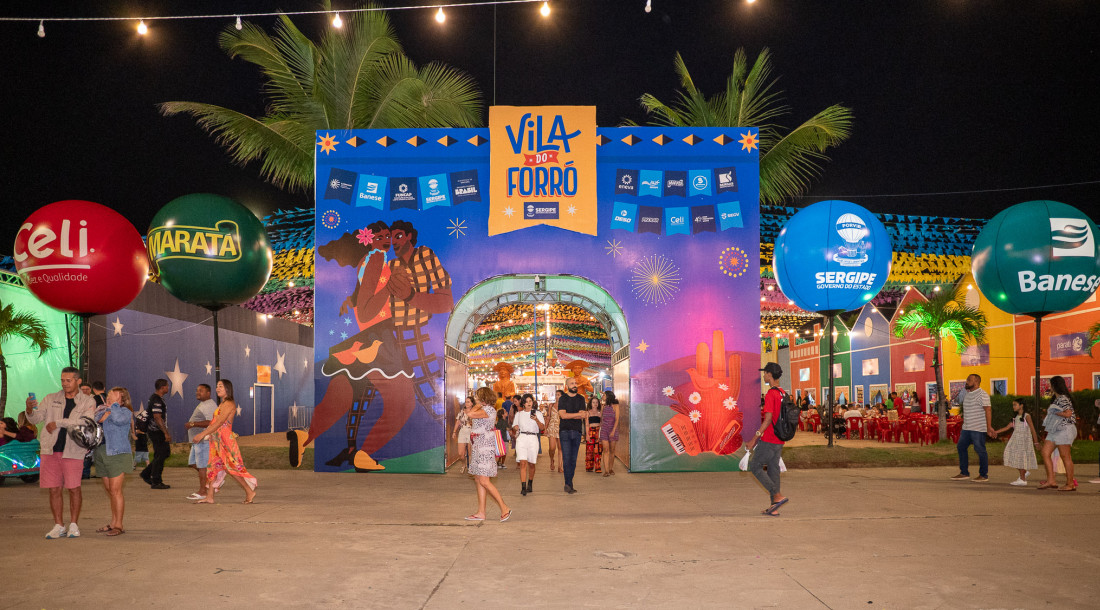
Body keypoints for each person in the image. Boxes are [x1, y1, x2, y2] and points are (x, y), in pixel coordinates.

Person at [25, 366, 96, 538]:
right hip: (50, 450)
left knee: (73, 488)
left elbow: (85, 421)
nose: (64, 383)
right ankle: (59, 525)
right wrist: (29, 409)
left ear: (78, 381)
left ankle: (74, 524)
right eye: (62, 380)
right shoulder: (50, 398)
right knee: (54, 489)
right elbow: (35, 418)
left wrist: (58, 422)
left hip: (73, 451)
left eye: (68, 380)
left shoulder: (88, 401)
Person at [193, 380, 257, 504]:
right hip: (216, 440)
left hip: (225, 440)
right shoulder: (222, 404)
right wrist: (210, 435)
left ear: (227, 388)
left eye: (220, 386)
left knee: (231, 467)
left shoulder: (229, 404)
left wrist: (202, 434)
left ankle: (249, 491)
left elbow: (219, 422)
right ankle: (210, 496)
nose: (217, 388)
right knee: (213, 467)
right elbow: (215, 423)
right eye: (217, 386)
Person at [92, 387, 134, 536]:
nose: (109, 397)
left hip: (117, 454)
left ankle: (119, 525)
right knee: (110, 491)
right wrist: (107, 409)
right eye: (109, 394)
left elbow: (117, 420)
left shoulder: (125, 412)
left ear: (122, 400)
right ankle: (113, 522)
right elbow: (96, 419)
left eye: (114, 395)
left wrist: (113, 407)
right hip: (102, 453)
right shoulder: (102, 409)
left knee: (116, 491)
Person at [748, 362, 789, 516]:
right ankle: (774, 507)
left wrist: (754, 438)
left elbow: (768, 419)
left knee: (755, 466)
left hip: (770, 438)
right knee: (773, 470)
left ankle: (777, 495)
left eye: (765, 373)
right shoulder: (782, 392)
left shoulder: (771, 393)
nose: (763, 375)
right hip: (780, 438)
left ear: (770, 374)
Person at [465, 386, 511, 522]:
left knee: (484, 480)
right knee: (478, 479)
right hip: (478, 446)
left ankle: (504, 508)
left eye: (477, 396)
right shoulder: (484, 409)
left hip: (484, 448)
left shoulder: (488, 410)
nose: (475, 398)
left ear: (483, 397)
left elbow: (470, 414)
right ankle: (481, 512)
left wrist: (478, 404)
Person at [949, 374, 995, 482]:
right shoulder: (967, 394)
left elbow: (988, 410)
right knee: (961, 447)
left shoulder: (982, 394)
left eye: (969, 380)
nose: (966, 381)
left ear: (976, 382)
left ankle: (983, 475)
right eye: (967, 379)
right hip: (966, 428)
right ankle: (964, 473)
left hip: (978, 428)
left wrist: (989, 427)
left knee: (980, 450)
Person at [1038, 376, 1077, 491]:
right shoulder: (1057, 398)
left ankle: (1070, 484)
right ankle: (1051, 481)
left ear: (1055, 385)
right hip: (1055, 430)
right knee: (1045, 452)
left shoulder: (1063, 398)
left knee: (1065, 456)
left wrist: (1055, 412)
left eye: (1050, 384)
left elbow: (1068, 413)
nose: (1049, 386)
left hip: (1064, 429)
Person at [992, 398, 1039, 486]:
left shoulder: (1027, 416)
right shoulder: (1016, 417)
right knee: (1010, 455)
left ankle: (1022, 479)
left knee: (1020, 458)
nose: (1013, 406)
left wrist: (1036, 442)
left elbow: (1032, 429)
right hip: (1015, 440)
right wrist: (995, 432)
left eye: (1015, 405)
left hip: (1023, 441)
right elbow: (1007, 427)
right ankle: (1024, 472)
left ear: (1021, 405)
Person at [184, 384, 218, 501]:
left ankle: (203, 491)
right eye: (197, 390)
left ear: (208, 393)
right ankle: (213, 479)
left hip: (203, 440)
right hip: (197, 441)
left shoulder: (209, 405)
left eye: (201, 391)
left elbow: (212, 422)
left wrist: (193, 424)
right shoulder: (204, 404)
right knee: (192, 463)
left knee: (202, 466)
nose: (197, 392)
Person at [140, 378, 172, 490]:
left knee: (164, 453)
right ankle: (156, 481)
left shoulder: (157, 398)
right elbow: (157, 417)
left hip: (157, 431)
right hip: (156, 431)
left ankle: (146, 473)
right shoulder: (156, 399)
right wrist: (165, 433)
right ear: (162, 388)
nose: (168, 388)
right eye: (167, 386)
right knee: (161, 455)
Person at [557, 376, 587, 494]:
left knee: (573, 460)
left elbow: (583, 415)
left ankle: (569, 483)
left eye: (575, 383)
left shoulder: (581, 398)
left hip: (577, 432)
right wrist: (577, 415)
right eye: (572, 383)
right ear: (567, 386)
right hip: (565, 432)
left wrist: (569, 415)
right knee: (566, 458)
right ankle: (568, 483)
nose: (575, 385)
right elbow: (562, 415)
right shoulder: (563, 398)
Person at [511, 393, 545, 496]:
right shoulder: (519, 414)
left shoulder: (538, 413)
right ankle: (523, 487)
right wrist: (516, 427)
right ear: (523, 403)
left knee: (531, 463)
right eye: (526, 402)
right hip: (522, 438)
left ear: (533, 402)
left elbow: (542, 428)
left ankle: (530, 482)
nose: (528, 403)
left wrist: (536, 419)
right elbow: (514, 425)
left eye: (530, 401)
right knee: (523, 462)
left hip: (533, 438)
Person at [451, 396, 474, 473]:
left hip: (471, 432)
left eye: (468, 402)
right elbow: (458, 422)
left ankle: (470, 467)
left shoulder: (475, 412)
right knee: (461, 453)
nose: (466, 403)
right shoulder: (462, 411)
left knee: (470, 452)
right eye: (466, 402)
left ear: (472, 403)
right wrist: (454, 432)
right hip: (462, 431)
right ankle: (463, 464)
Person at [600, 390, 620, 476]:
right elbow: (601, 418)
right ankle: (606, 471)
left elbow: (617, 419)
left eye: (604, 395)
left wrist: (613, 430)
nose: (603, 396)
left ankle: (611, 468)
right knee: (605, 450)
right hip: (604, 429)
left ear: (608, 396)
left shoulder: (615, 406)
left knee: (612, 450)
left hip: (613, 429)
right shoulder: (603, 406)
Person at [584, 396, 603, 473]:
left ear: (598, 403)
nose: (595, 404)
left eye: (596, 402)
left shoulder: (600, 413)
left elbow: (601, 424)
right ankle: (589, 466)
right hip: (590, 431)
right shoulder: (588, 412)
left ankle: (598, 467)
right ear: (590, 404)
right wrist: (587, 435)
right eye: (593, 402)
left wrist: (601, 434)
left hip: (598, 432)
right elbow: (586, 424)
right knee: (590, 450)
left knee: (598, 450)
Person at [545, 395, 562, 473]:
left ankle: (560, 466)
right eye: (556, 395)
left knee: (560, 448)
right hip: (552, 427)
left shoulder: (565, 405)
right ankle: (552, 459)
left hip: (561, 428)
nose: (557, 396)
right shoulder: (551, 405)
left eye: (559, 395)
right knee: (552, 448)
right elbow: (548, 417)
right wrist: (545, 428)